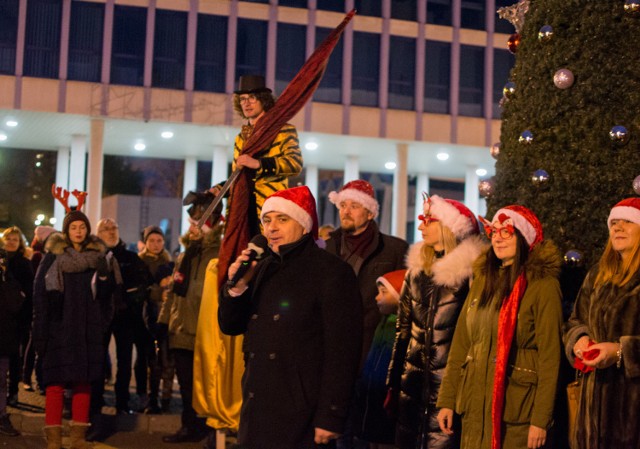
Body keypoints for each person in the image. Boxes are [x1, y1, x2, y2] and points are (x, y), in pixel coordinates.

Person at [218, 186, 363, 449]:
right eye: (267, 220)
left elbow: (342, 352)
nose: (272, 227)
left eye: (282, 219)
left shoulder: (332, 272)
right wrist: (236, 287)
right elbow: (230, 326)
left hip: (302, 409)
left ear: (304, 225)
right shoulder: (259, 269)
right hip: (257, 404)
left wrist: (331, 415)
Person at [436, 205, 563, 449]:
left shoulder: (543, 285)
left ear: (523, 238)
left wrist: (540, 419)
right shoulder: (483, 279)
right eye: (494, 232)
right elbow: (462, 345)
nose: (498, 238)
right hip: (475, 407)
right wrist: (448, 399)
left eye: (507, 232)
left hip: (516, 413)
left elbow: (550, 358)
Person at [387, 195, 486, 449]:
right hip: (411, 389)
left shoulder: (471, 275)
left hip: (450, 391)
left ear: (449, 227)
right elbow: (403, 331)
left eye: (428, 221)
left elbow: (474, 338)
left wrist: (457, 394)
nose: (420, 227)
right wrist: (393, 383)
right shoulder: (417, 272)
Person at [33, 208, 118, 449]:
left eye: (82, 227)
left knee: (84, 382)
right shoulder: (53, 258)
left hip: (87, 329)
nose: (78, 232)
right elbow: (40, 296)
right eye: (73, 227)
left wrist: (104, 279)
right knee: (55, 383)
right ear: (66, 231)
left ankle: (78, 438)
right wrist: (40, 331)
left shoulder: (98, 258)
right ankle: (54, 439)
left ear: (88, 230)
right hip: (59, 327)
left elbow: (106, 297)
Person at [563, 197, 640, 449]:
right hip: (591, 412)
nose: (617, 227)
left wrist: (619, 352)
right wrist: (579, 340)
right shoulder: (598, 274)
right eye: (614, 222)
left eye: (627, 222)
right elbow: (575, 320)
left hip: (631, 414)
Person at [158, 194, 224, 444]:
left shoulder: (219, 254)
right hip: (181, 329)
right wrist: (163, 322)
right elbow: (174, 294)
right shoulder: (185, 255)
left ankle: (208, 428)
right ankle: (189, 426)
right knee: (186, 386)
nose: (192, 228)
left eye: (197, 223)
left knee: (206, 385)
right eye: (192, 223)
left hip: (206, 330)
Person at [326, 180, 408, 364]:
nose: (346, 212)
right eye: (343, 205)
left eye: (354, 206)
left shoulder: (394, 249)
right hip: (331, 344)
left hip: (373, 346)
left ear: (370, 213)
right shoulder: (327, 248)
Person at [210, 74, 303, 236]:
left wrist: (259, 164)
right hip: (242, 212)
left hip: (271, 211)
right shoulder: (240, 138)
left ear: (263, 100)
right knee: (244, 260)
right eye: (243, 99)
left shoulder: (282, 129)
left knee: (268, 257)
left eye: (252, 98)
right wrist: (220, 189)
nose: (246, 103)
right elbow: (240, 177)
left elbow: (294, 164)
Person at [94, 218, 151, 417]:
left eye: (113, 228)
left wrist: (129, 301)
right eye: (105, 229)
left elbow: (143, 284)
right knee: (98, 359)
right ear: (98, 233)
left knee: (124, 361)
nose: (110, 232)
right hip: (101, 316)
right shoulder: (94, 257)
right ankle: (96, 399)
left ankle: (122, 401)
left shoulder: (130, 257)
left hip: (125, 317)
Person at [353, 269, 406, 449]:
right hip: (372, 402)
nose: (377, 298)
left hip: (387, 409)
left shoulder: (402, 329)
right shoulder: (383, 323)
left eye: (384, 292)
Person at [138, 225, 173, 414]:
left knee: (166, 359)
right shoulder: (141, 262)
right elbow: (143, 290)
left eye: (159, 240)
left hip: (166, 318)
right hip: (147, 316)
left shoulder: (169, 262)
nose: (156, 244)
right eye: (151, 240)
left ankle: (165, 398)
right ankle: (149, 397)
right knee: (149, 360)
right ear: (145, 242)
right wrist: (160, 291)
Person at [1, 226, 34, 407]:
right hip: (2, 315)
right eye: (9, 238)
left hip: (18, 316)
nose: (11, 242)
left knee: (14, 355)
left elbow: (29, 290)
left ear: (20, 243)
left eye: (15, 239)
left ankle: (13, 391)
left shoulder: (23, 263)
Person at [0, 248, 24, 437]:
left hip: (4, 338)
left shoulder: (10, 281)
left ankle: (1, 416)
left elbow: (15, 305)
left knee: (1, 380)